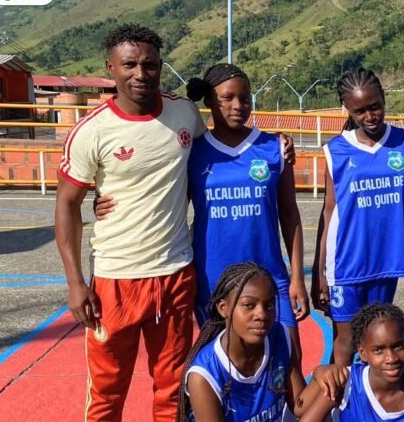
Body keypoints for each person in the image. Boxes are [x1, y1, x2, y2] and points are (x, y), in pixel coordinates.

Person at [55, 23, 208, 422]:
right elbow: (67, 205)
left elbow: (220, 155)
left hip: (174, 274)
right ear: (111, 69)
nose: (141, 73)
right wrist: (76, 282)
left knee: (170, 384)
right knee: (107, 390)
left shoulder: (185, 116)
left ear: (160, 66)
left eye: (149, 63)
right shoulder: (92, 130)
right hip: (115, 281)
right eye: (130, 64)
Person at [96, 63, 308, 356]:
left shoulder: (274, 148)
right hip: (212, 281)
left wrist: (298, 277)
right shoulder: (191, 151)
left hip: (270, 276)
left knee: (289, 362)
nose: (238, 106)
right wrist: (102, 200)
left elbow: (289, 213)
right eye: (227, 98)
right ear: (209, 100)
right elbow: (159, 196)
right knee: (224, 367)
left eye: (245, 98)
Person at [158, 262, 346, 422]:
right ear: (224, 308)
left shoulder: (279, 336)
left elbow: (299, 405)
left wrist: (319, 376)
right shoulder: (204, 375)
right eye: (249, 305)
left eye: (269, 305)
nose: (261, 314)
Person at [313, 68, 404, 365]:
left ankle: (370, 394)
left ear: (384, 98)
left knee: (378, 339)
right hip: (345, 265)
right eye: (359, 111)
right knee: (346, 343)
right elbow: (329, 212)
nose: (369, 116)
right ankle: (340, 397)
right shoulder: (336, 150)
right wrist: (320, 272)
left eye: (374, 106)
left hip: (386, 264)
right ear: (346, 109)